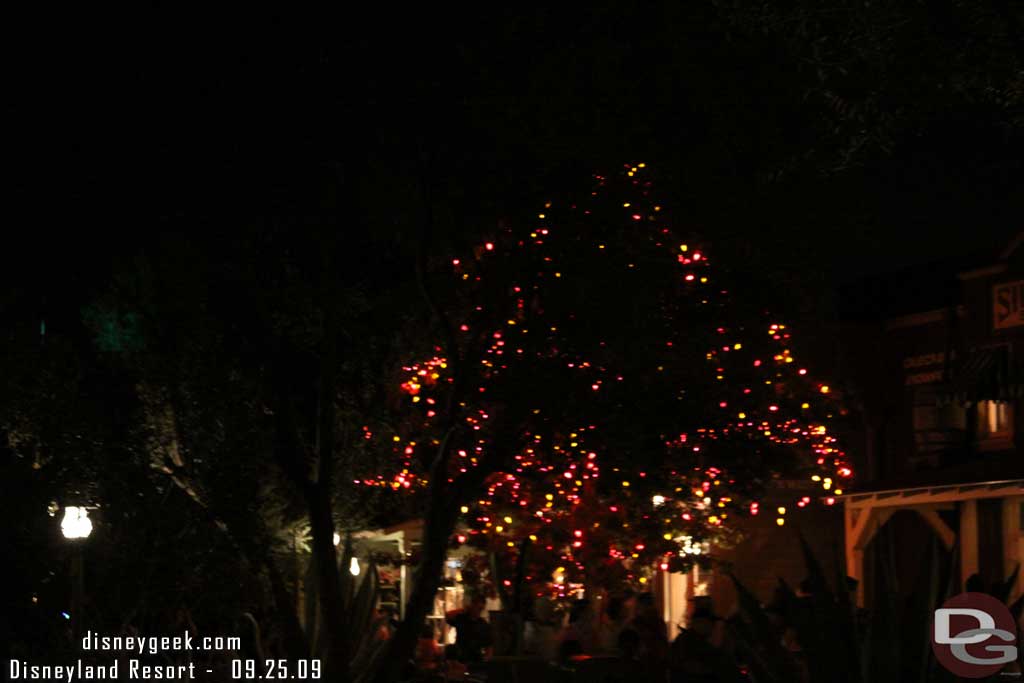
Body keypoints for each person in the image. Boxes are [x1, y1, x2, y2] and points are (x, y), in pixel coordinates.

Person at [445, 594, 494, 666]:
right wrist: (464, 610)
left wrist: (486, 658)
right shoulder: (462, 618)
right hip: (460, 659)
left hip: (476, 660)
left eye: (481, 609)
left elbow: (489, 644)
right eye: (478, 607)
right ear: (472, 605)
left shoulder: (483, 624)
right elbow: (448, 616)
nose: (479, 611)